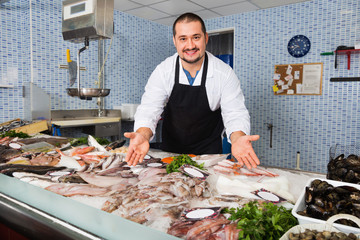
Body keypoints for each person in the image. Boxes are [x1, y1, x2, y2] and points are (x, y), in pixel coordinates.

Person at [124, 12, 260, 169]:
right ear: (175, 41)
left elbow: (235, 114)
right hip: (171, 154)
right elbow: (149, 109)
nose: (190, 45)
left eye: (196, 37)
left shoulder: (224, 73)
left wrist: (238, 139)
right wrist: (142, 135)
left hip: (209, 155)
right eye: (183, 39)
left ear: (206, 38)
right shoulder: (163, 71)